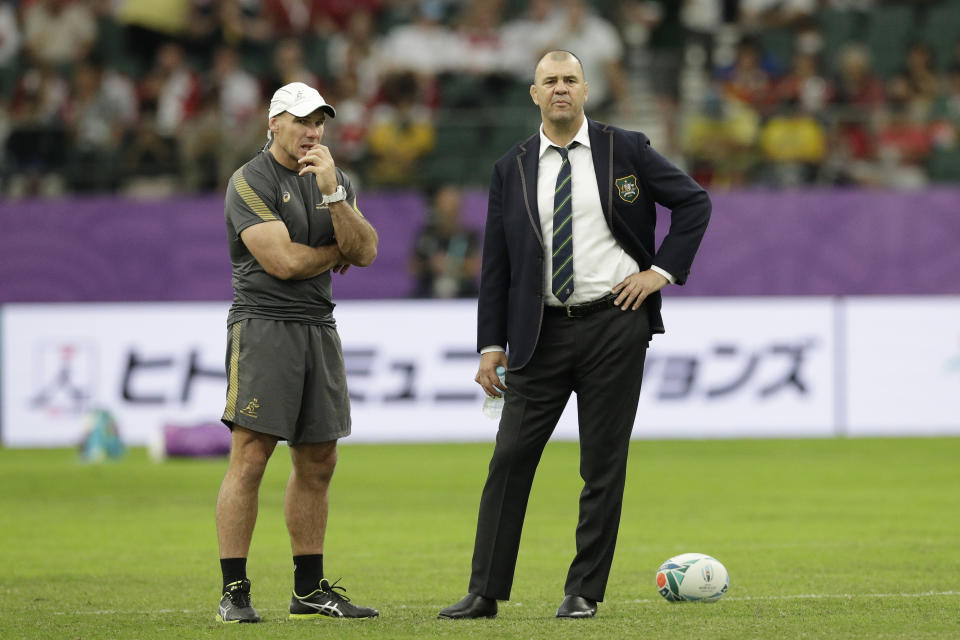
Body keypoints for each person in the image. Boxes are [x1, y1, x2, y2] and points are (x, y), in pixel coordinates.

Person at [438, 50, 710, 620]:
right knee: (509, 459)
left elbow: (693, 202)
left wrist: (658, 272)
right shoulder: (509, 167)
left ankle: (583, 590)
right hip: (538, 332)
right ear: (533, 95)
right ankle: (485, 591)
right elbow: (497, 266)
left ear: (586, 90)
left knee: (602, 463)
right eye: (549, 81)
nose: (560, 89)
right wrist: (491, 345)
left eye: (569, 80)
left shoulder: (625, 149)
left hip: (615, 323)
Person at [215, 81, 379, 623]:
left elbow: (369, 251)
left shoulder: (335, 177)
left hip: (317, 325)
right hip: (263, 326)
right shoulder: (249, 181)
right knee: (252, 456)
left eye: (320, 122)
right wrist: (337, 251)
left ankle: (309, 591)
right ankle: (234, 591)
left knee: (319, 460)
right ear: (274, 124)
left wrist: (334, 194)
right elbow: (282, 263)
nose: (313, 132)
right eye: (302, 121)